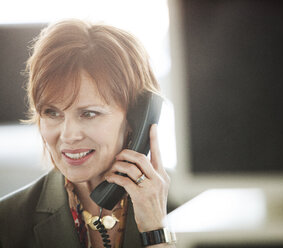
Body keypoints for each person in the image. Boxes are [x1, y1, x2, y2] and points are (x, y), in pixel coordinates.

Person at [0, 19, 175, 248]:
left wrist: (156, 231)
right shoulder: (8, 223)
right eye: (52, 113)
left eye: (89, 114)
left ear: (136, 117)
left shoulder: (195, 209)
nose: (68, 135)